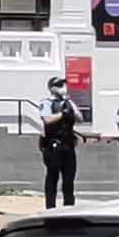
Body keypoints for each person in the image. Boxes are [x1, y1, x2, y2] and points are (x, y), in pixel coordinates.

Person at [38, 76, 81, 208]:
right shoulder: (47, 103)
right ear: (52, 88)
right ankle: (50, 207)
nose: (62, 87)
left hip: (68, 144)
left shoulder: (67, 102)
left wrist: (69, 104)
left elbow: (80, 118)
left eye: (63, 84)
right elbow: (47, 119)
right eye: (59, 85)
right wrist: (62, 114)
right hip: (53, 145)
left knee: (69, 179)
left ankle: (69, 206)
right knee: (52, 177)